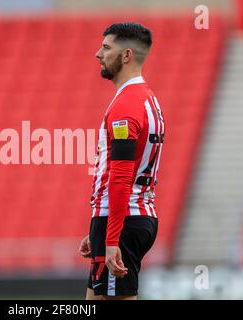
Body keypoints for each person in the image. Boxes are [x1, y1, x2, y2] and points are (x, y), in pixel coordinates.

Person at [79, 22, 165, 300]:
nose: (97, 54)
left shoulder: (126, 106)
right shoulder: (148, 100)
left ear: (126, 55)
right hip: (129, 216)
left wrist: (111, 237)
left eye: (106, 47)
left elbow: (121, 176)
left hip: (124, 218)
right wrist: (98, 226)